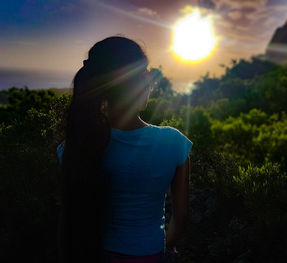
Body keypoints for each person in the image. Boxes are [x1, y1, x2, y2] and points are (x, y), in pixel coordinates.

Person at [56, 36, 192, 263]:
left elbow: (68, 215)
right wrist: (165, 246)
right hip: (148, 254)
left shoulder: (76, 145)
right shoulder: (173, 143)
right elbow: (182, 217)